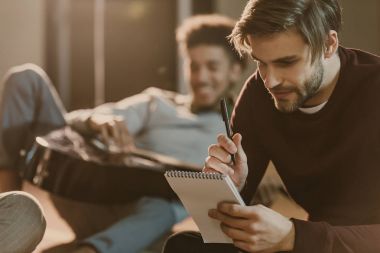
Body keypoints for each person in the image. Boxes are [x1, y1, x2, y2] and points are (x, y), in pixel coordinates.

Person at [0, 15, 246, 253]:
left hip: (137, 221)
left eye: (212, 67)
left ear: (235, 71)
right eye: (194, 66)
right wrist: (95, 120)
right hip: (83, 187)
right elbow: (69, 123)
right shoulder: (156, 102)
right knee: (25, 78)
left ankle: (89, 250)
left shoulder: (237, 132)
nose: (201, 77)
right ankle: (7, 204)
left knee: (164, 207)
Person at [162, 0, 380, 253]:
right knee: (184, 246)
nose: (271, 81)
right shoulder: (258, 94)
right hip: (316, 243)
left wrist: (292, 237)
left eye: (287, 62)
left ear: (329, 44)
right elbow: (222, 230)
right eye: (261, 62)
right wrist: (232, 188)